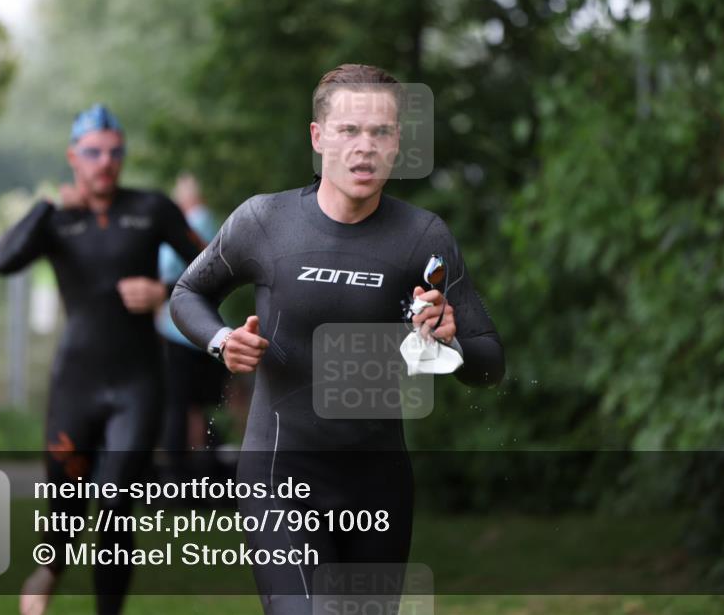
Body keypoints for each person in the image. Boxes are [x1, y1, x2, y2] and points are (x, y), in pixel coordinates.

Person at [171, 64, 504, 614]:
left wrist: (454, 344)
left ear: (399, 142)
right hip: (281, 473)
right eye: (349, 130)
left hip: (378, 483)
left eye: (381, 132)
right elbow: (187, 293)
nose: (365, 147)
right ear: (318, 136)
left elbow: (491, 363)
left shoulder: (422, 237)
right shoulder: (264, 221)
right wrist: (222, 340)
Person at [0, 104, 202, 615]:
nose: (105, 162)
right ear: (73, 157)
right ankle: (51, 568)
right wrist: (45, 208)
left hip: (138, 384)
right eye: (92, 153)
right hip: (75, 387)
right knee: (65, 511)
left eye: (114, 152)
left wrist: (165, 289)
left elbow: (216, 265)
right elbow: (2, 260)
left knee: (114, 505)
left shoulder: (152, 209)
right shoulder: (58, 221)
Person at [153, 173, 228, 480]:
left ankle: (177, 473)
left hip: (179, 328)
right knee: (198, 406)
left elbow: (169, 268)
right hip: (208, 327)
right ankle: (201, 471)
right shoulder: (214, 222)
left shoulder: (190, 223)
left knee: (178, 405)